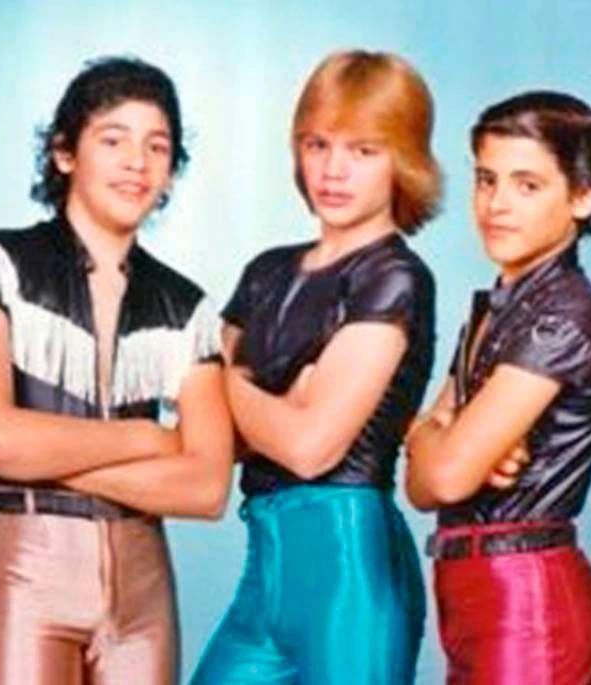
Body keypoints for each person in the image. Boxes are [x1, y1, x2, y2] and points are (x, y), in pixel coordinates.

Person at [0, 56, 233, 685]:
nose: (137, 162)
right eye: (113, 140)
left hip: (144, 582)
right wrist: (145, 438)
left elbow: (206, 486)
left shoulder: (186, 307)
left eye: (157, 146)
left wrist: (41, 455)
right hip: (29, 566)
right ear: (64, 154)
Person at [191, 50, 440, 685]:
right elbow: (211, 434)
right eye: (317, 144)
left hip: (348, 568)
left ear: (404, 160)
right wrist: (269, 399)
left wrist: (223, 375)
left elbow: (308, 447)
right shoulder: (267, 271)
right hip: (264, 564)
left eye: (364, 150)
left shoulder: (394, 276)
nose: (333, 170)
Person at [405, 91, 591, 685]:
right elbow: (422, 485)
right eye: (486, 180)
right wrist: (432, 436)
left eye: (527, 185)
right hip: (477, 592)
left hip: (528, 602)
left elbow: (445, 478)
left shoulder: (564, 315)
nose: (496, 204)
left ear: (584, 197)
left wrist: (431, 436)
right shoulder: (493, 307)